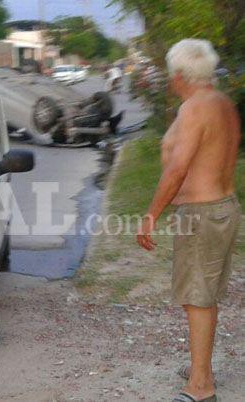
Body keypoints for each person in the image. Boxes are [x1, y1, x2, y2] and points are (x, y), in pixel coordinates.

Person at [136, 39, 241, 402]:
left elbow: (179, 168)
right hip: (222, 207)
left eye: (170, 74)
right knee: (204, 295)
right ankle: (203, 369)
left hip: (202, 213)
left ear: (179, 75)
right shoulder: (223, 103)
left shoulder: (195, 107)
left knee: (197, 297)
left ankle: (200, 387)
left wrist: (151, 215)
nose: (170, 80)